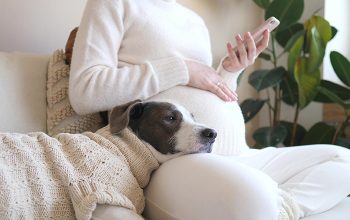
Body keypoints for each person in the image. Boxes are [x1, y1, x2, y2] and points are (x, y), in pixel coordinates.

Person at [69, 0, 350, 219]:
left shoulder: (194, 21)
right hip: (173, 161)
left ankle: (281, 209)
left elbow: (202, 93)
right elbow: (84, 91)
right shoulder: (114, 3)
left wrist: (229, 72)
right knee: (254, 196)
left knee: (343, 160)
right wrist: (182, 69)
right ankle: (263, 203)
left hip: (239, 154)